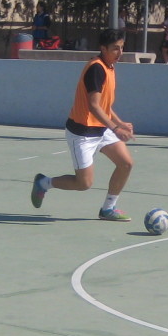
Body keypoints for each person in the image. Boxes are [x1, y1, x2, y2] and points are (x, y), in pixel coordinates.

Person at [29, 28, 135, 222]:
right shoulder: (97, 69)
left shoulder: (110, 67)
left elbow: (104, 106)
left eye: (121, 48)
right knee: (83, 183)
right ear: (103, 48)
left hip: (102, 129)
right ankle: (44, 183)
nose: (120, 53)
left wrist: (119, 123)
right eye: (115, 49)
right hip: (83, 133)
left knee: (126, 163)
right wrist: (116, 128)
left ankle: (108, 209)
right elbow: (94, 106)